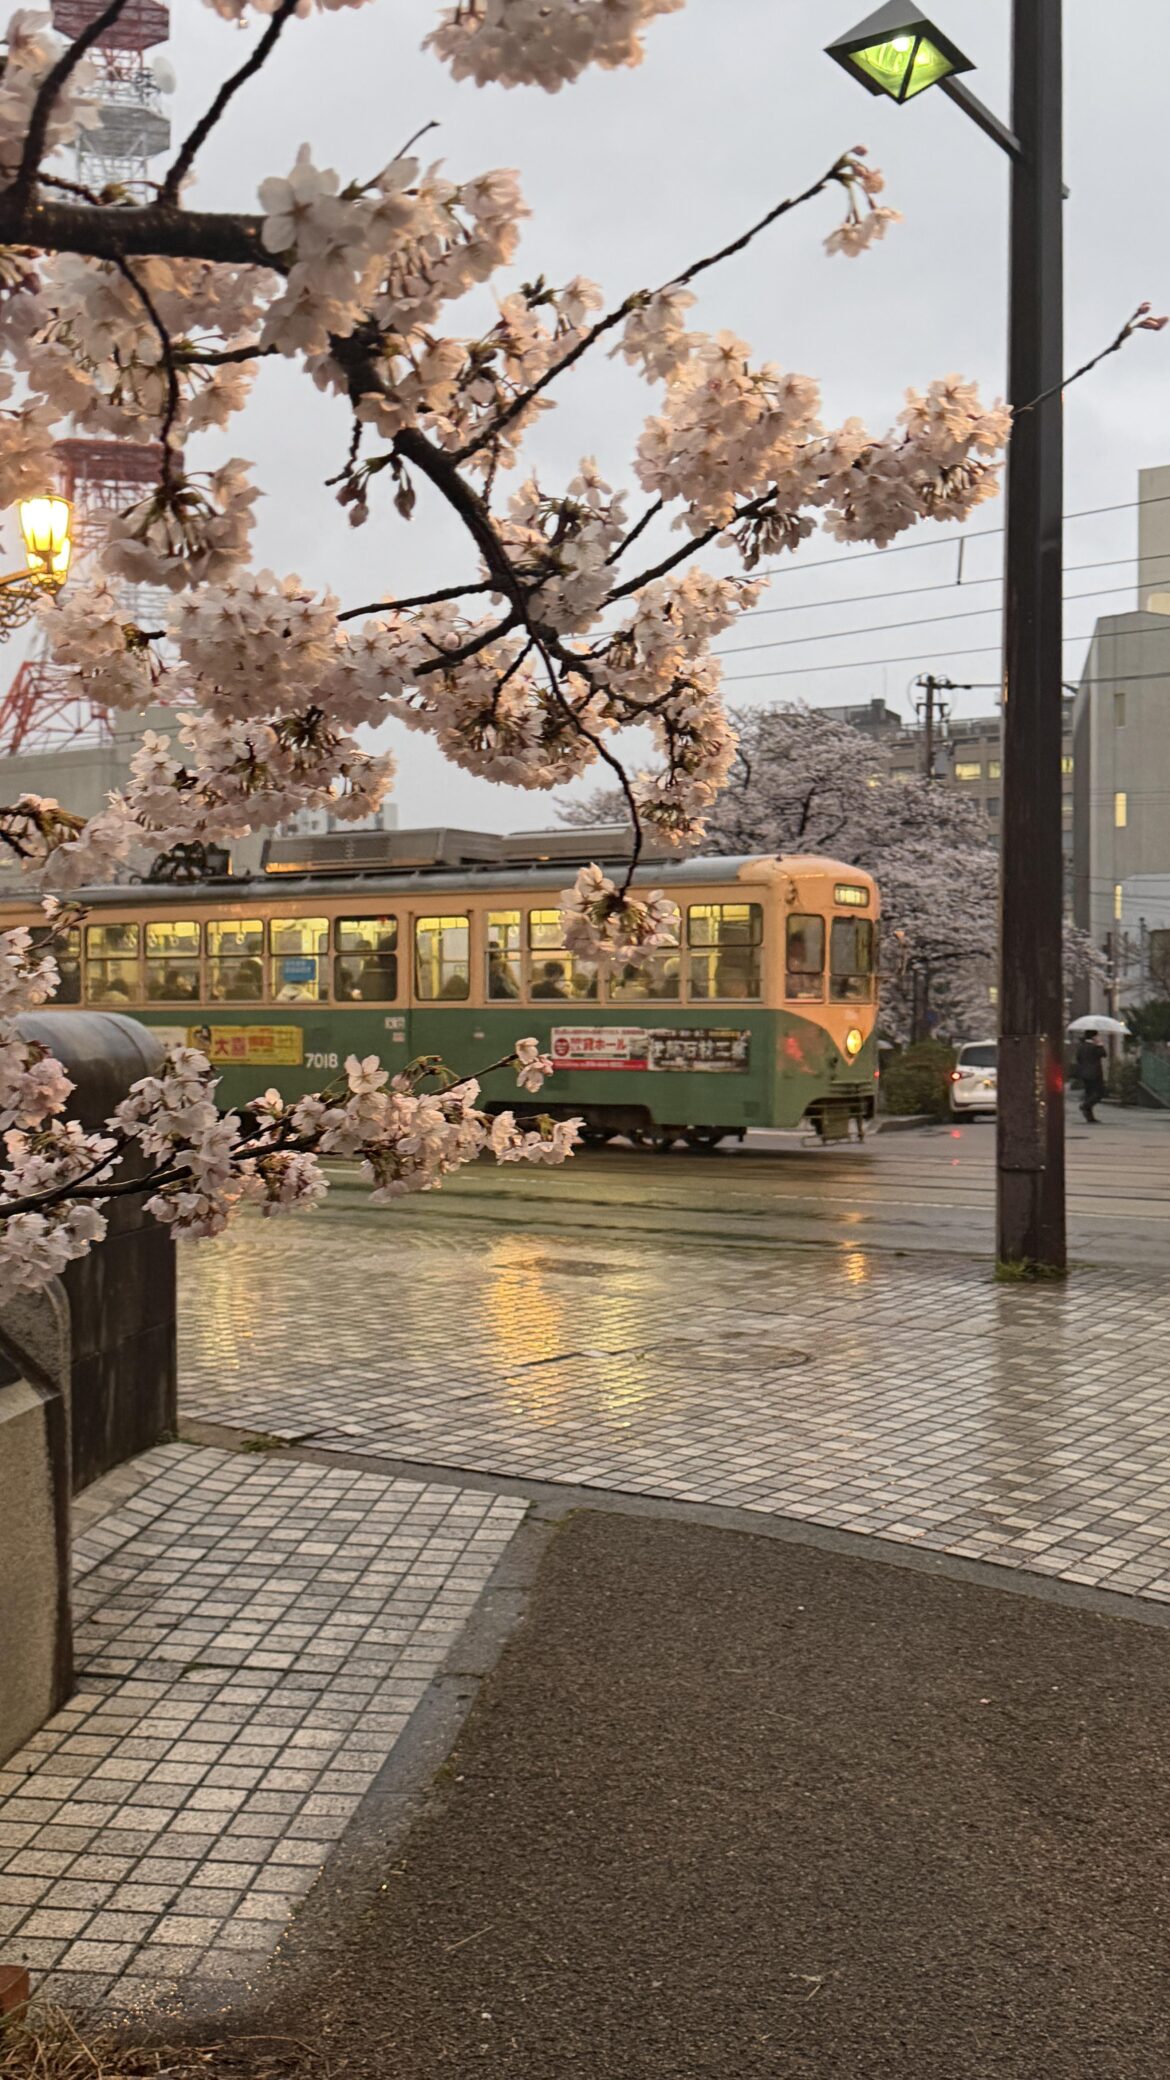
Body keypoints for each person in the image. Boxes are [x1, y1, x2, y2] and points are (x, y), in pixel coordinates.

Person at [1075, 1029, 1107, 1123]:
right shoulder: (1094, 1047)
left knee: (1089, 1093)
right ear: (1094, 1037)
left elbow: (1078, 1058)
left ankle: (1090, 1117)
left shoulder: (1081, 1046)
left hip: (1084, 1073)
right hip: (1095, 1073)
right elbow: (1103, 1054)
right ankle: (1085, 1106)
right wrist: (1100, 1044)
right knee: (1098, 1093)